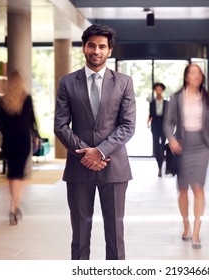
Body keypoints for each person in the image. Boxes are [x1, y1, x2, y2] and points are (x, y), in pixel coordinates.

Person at [54, 24, 136, 260]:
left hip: (115, 168)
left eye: (102, 46)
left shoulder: (124, 82)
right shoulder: (67, 82)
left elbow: (128, 125)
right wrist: (85, 154)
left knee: (115, 237)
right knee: (79, 237)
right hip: (79, 169)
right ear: (84, 48)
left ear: (109, 50)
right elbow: (60, 125)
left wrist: (99, 151)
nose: (96, 51)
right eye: (92, 45)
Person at [163, 64, 209, 249]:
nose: (196, 75)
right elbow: (168, 123)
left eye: (199, 73)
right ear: (186, 77)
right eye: (192, 73)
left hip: (202, 147)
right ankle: (186, 225)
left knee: (198, 188)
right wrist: (171, 139)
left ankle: (196, 232)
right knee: (183, 189)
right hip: (182, 147)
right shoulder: (176, 98)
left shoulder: (208, 98)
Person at [0, 69, 37, 226]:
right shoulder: (26, 99)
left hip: (8, 142)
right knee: (18, 175)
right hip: (23, 142)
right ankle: (14, 207)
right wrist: (37, 137)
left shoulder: (2, 101)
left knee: (12, 174)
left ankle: (14, 207)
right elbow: (32, 121)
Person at [147, 82, 168, 177]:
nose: (158, 91)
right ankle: (159, 167)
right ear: (155, 90)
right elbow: (150, 115)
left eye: (160, 89)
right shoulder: (152, 103)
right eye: (157, 89)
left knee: (162, 145)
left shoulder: (167, 103)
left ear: (162, 90)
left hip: (164, 126)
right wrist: (148, 122)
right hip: (155, 125)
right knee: (156, 147)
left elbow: (169, 116)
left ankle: (162, 164)